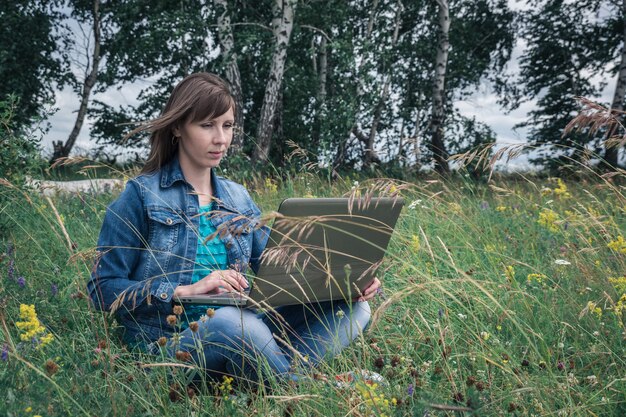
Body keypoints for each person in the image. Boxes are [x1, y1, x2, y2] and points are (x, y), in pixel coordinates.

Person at [88, 72, 381, 385]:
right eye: (207, 125)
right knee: (231, 321)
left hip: (244, 333)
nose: (221, 139)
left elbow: (279, 272)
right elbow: (101, 289)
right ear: (176, 128)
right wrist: (181, 292)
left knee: (355, 309)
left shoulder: (237, 197)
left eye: (227, 126)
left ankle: (273, 379)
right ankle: (308, 386)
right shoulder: (141, 195)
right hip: (167, 346)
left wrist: (344, 281)